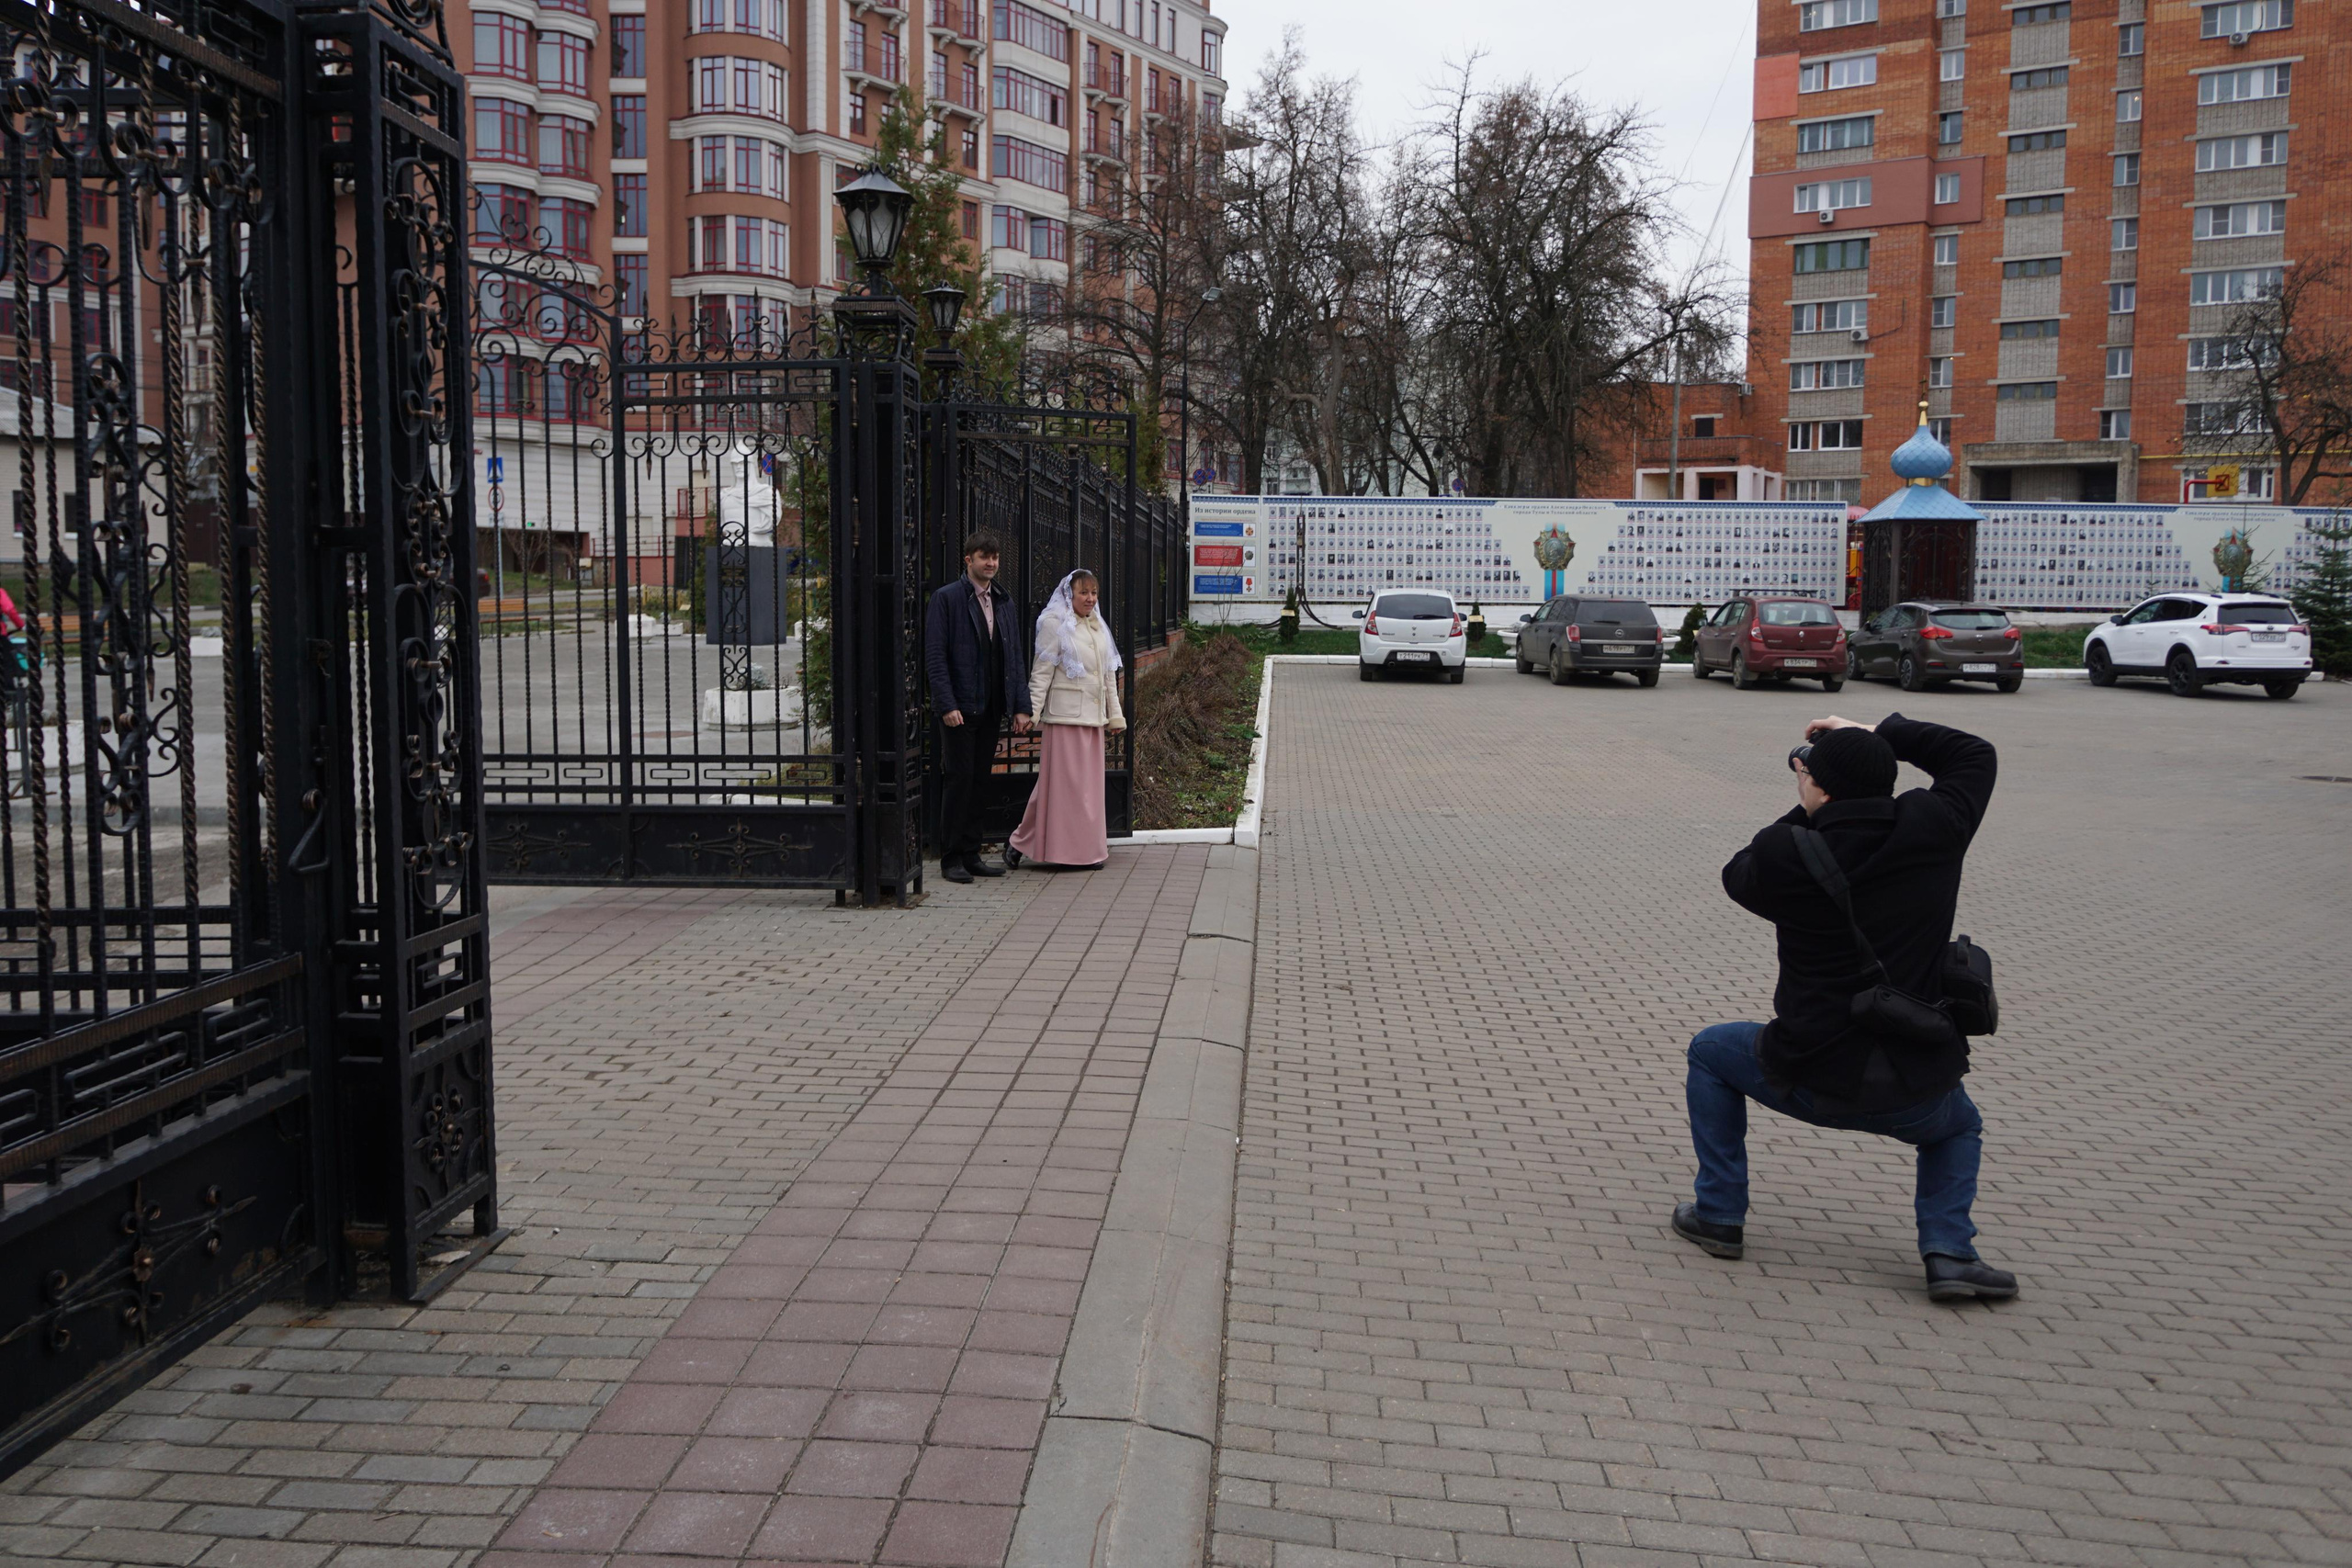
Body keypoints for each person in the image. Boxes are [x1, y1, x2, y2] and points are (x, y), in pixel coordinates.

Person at [1674, 713, 2018, 1303]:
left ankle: (1719, 1215)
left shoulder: (1787, 853)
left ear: (1820, 788)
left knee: (1710, 1051)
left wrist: (1809, 805)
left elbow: (1739, 873)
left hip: (1806, 1074)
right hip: (1916, 1086)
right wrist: (1879, 735)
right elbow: (1974, 755)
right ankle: (1950, 1254)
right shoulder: (1934, 824)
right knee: (1958, 1128)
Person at [923, 532, 1033, 884]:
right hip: (960, 709)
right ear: (967, 560)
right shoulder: (947, 599)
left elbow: (1014, 657)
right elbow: (935, 657)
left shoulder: (1003, 601)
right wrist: (946, 703)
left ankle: (972, 854)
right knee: (958, 781)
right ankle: (950, 858)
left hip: (991, 707)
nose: (991, 563)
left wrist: (1020, 706)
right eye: (984, 557)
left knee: (981, 782)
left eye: (995, 557)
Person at [1008, 570, 1125, 870]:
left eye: (1094, 593)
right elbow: (1041, 673)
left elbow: (1108, 676)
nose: (1090, 598)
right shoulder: (1054, 624)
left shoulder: (1098, 626)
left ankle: (1029, 843)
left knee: (1086, 791)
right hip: (1065, 719)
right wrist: (1030, 713)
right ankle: (1065, 853)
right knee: (1063, 789)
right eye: (1083, 592)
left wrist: (1115, 716)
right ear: (1069, 594)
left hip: (1093, 720)